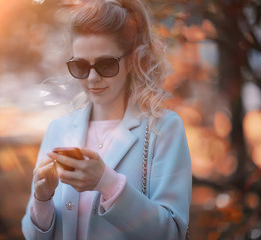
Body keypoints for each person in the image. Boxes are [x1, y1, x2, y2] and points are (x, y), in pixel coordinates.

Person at [22, 0, 192, 239]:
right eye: (80, 66)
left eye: (106, 64)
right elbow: (32, 236)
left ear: (133, 59)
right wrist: (42, 200)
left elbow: (172, 233)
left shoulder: (164, 129)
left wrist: (106, 182)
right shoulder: (58, 129)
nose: (92, 77)